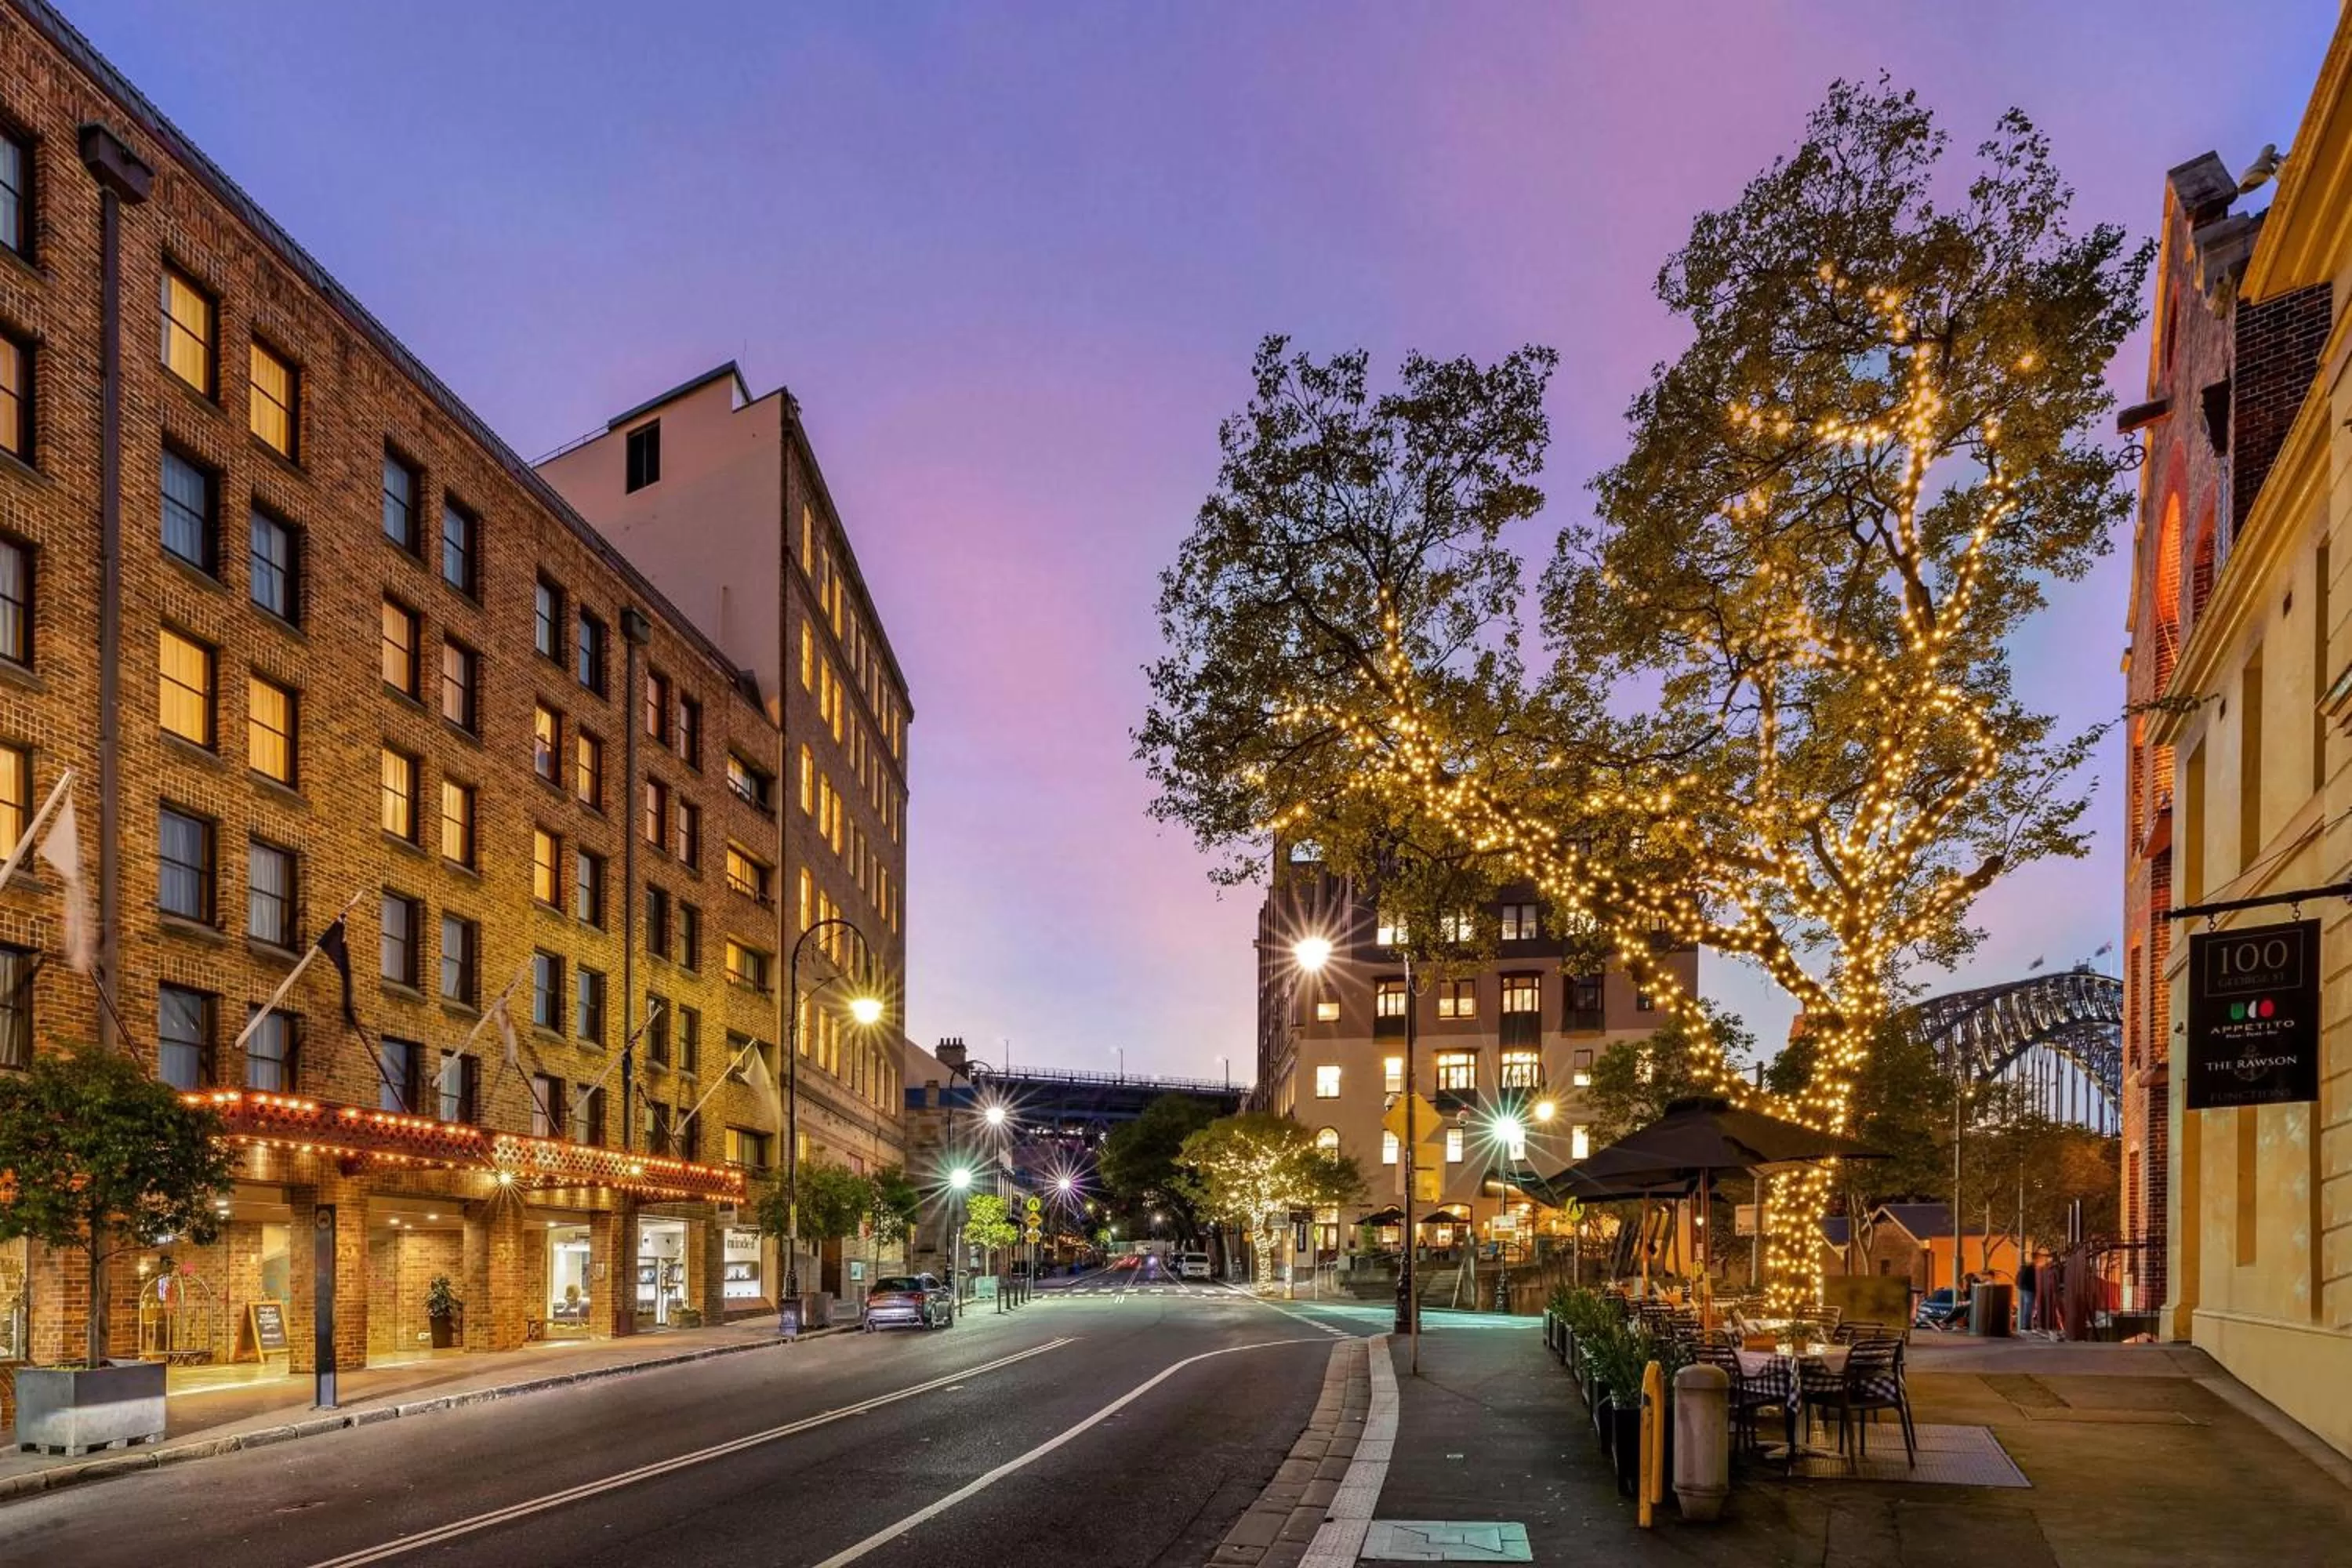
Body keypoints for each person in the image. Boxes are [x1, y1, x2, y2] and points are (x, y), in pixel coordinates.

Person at [2016, 1251, 2038, 1334]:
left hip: (2023, 1289)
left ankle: (2023, 1326)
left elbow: (2018, 1279)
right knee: (2028, 1308)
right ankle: (2026, 1326)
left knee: (2024, 1308)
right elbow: (2033, 1280)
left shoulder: (2024, 1267)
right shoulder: (2031, 1268)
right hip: (2029, 1290)